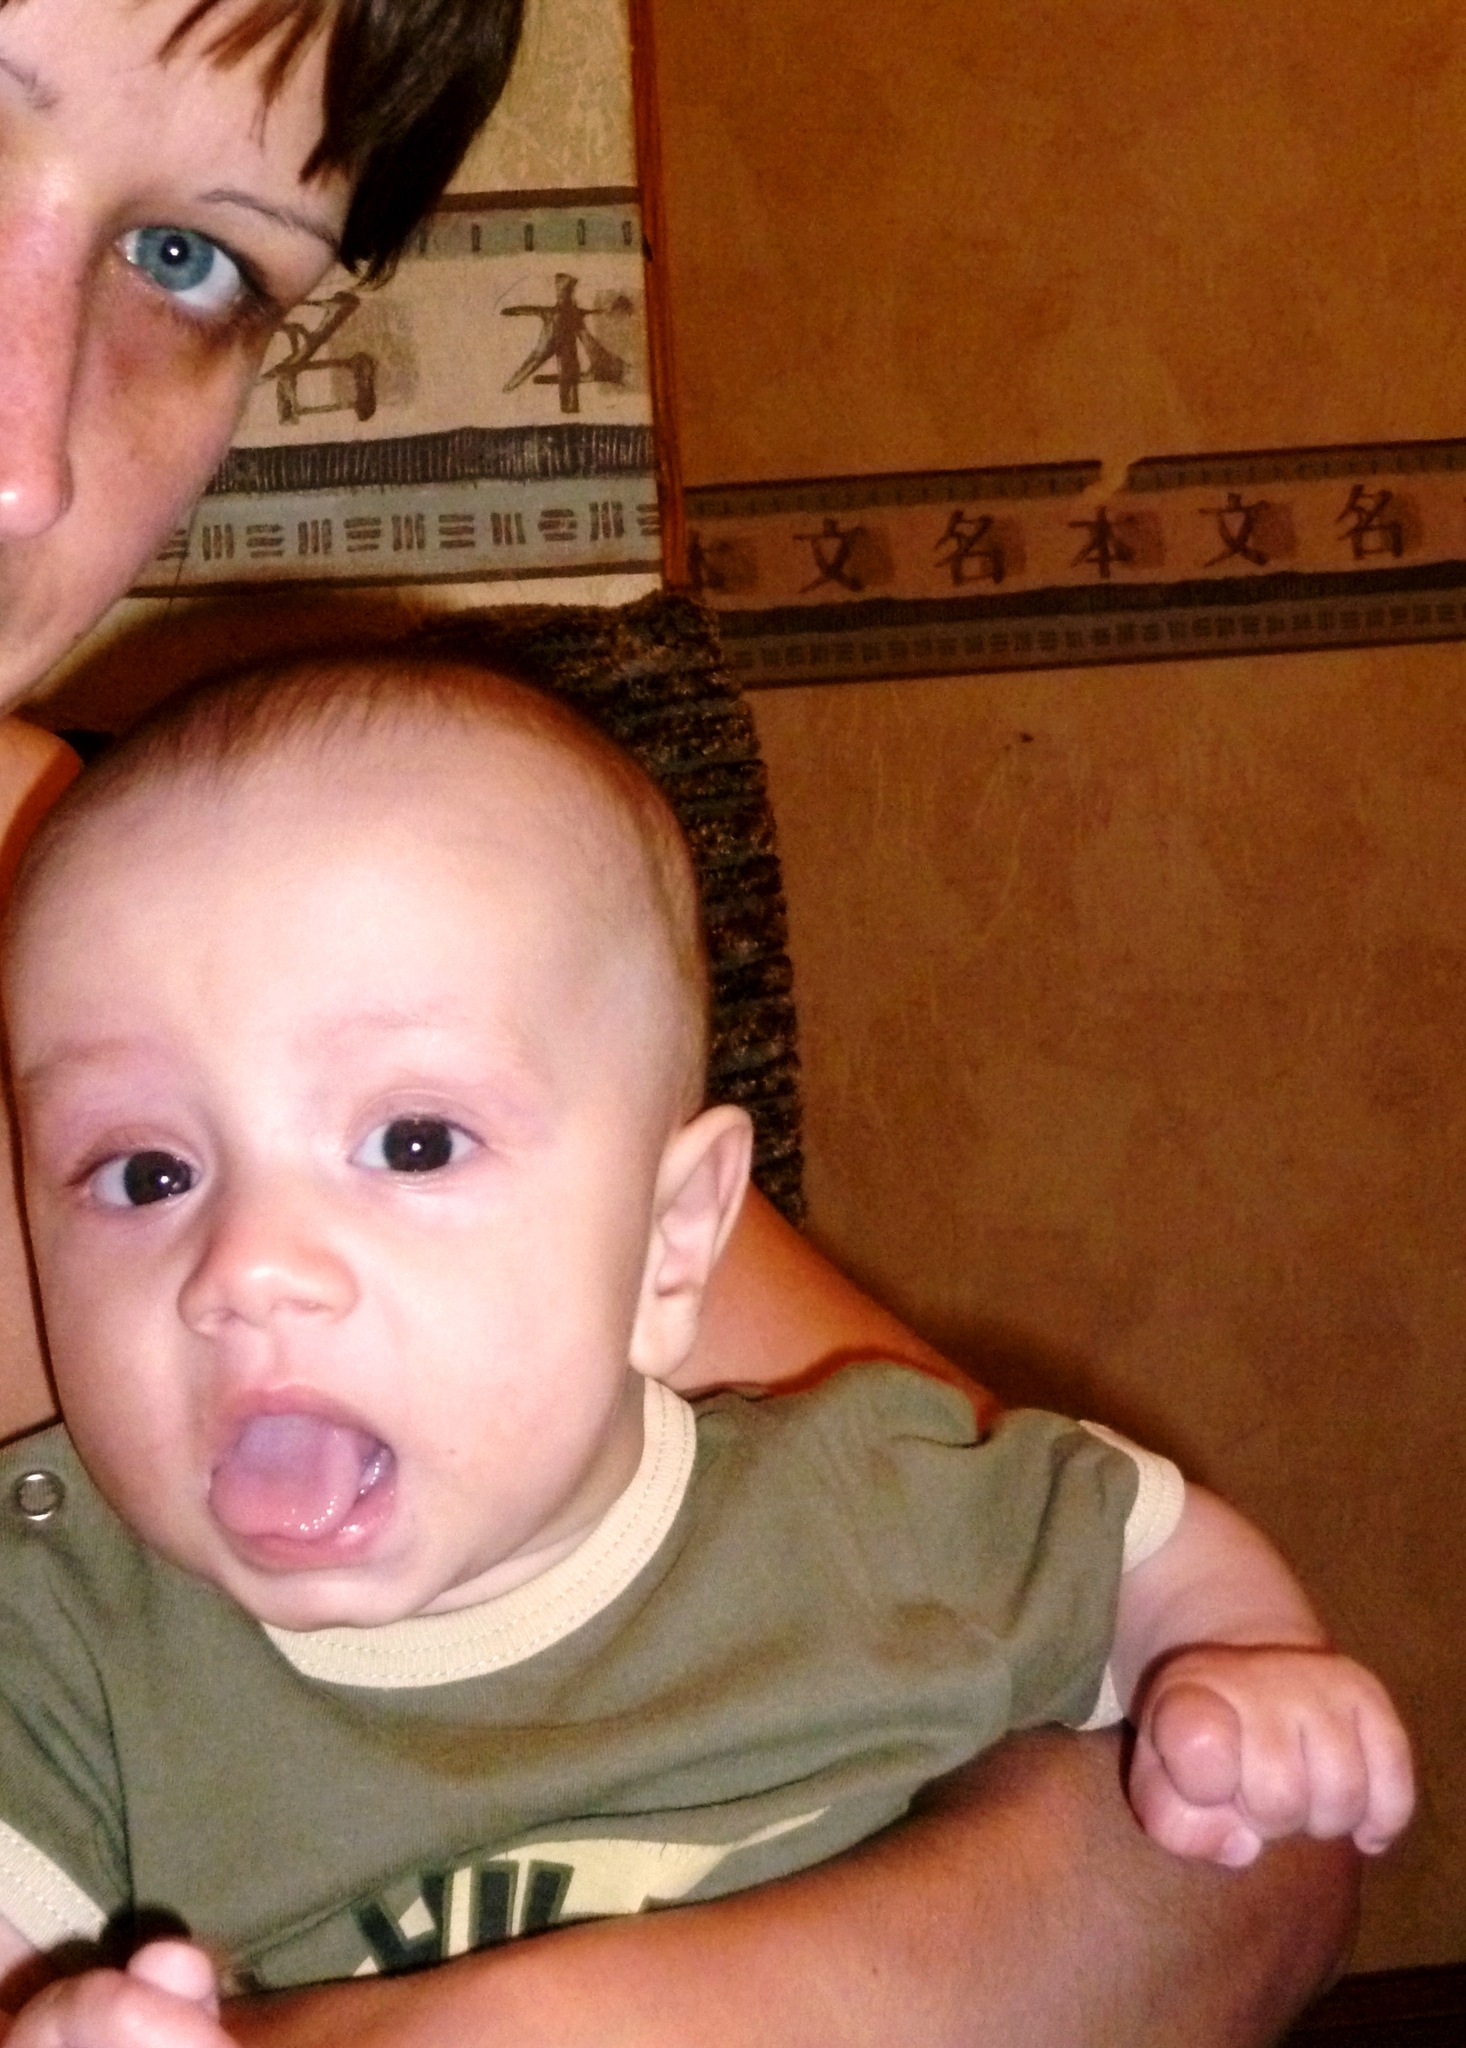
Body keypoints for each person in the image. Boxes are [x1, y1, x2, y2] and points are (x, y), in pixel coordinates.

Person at [0, 0, 1364, 2042]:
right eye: (138, 1175)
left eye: (191, 258)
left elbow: (1227, 1850)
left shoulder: (156, 932)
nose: (21, 461)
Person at [0, 655, 1413, 2045]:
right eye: (142, 1174)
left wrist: (1242, 1663)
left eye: (413, 1143)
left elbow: (1131, 1539)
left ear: (673, 1240)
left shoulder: (853, 1502)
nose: (247, 1266)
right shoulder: (59, 1646)